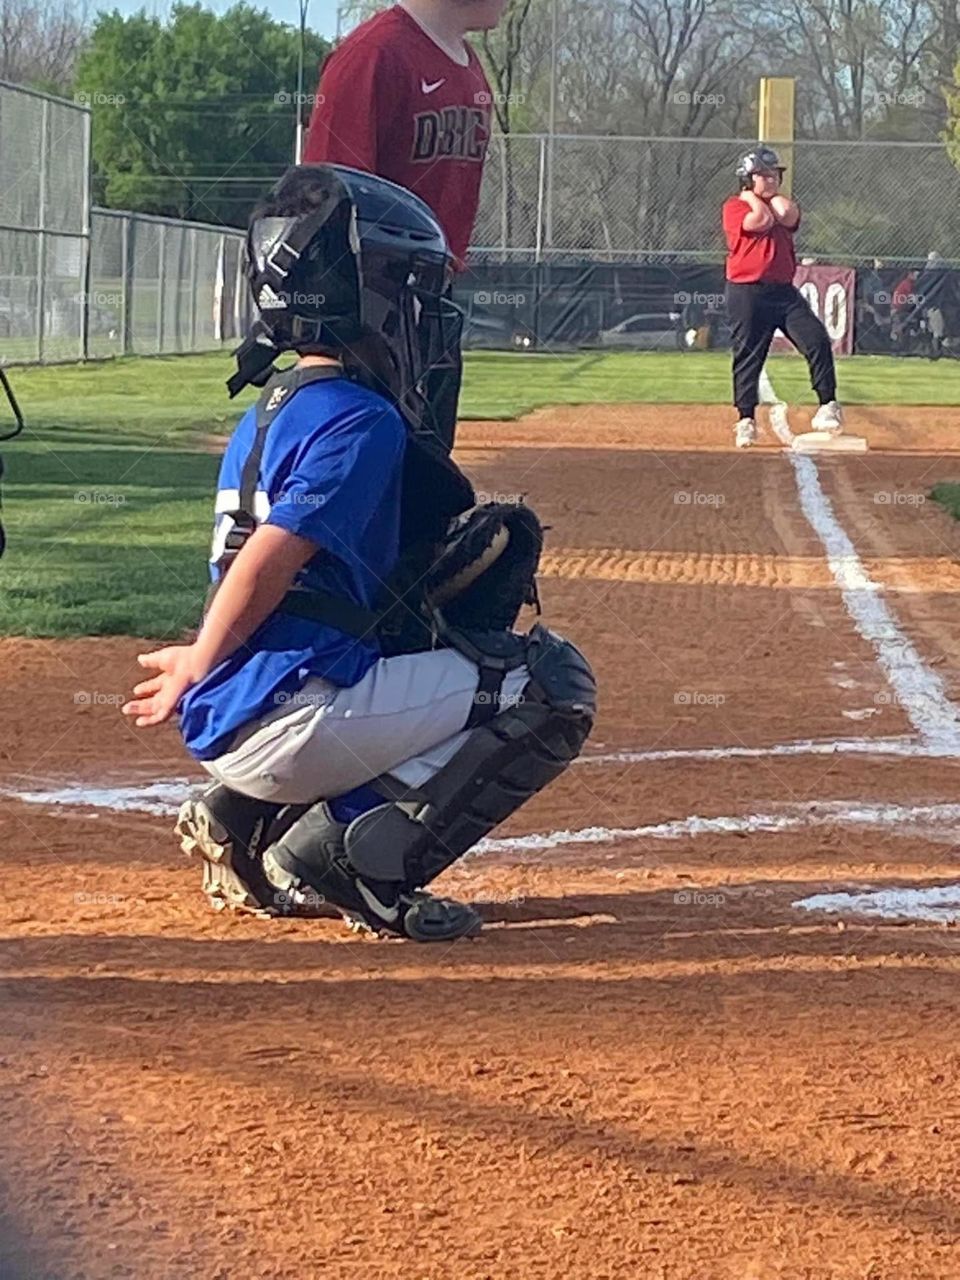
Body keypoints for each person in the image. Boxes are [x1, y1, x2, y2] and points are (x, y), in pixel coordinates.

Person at [121, 164, 596, 943]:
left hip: (239, 722)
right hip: (294, 721)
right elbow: (273, 553)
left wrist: (206, 660)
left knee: (410, 627)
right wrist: (204, 654)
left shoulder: (272, 409)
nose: (423, 313)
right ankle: (355, 859)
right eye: (407, 289)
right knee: (548, 684)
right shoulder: (360, 418)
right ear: (364, 297)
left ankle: (239, 818)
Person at [303, 0, 508, 454]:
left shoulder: (469, 65)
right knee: (370, 480)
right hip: (373, 314)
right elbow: (323, 205)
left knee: (429, 481)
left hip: (432, 304)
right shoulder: (374, 55)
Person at [722, 146, 843, 449]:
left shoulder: (778, 205)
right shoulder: (735, 207)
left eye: (775, 174)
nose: (773, 179)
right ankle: (746, 419)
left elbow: (789, 215)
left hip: (782, 292)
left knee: (815, 339)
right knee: (749, 355)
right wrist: (751, 196)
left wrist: (767, 195)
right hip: (747, 291)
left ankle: (828, 404)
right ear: (748, 179)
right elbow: (759, 222)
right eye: (764, 174)